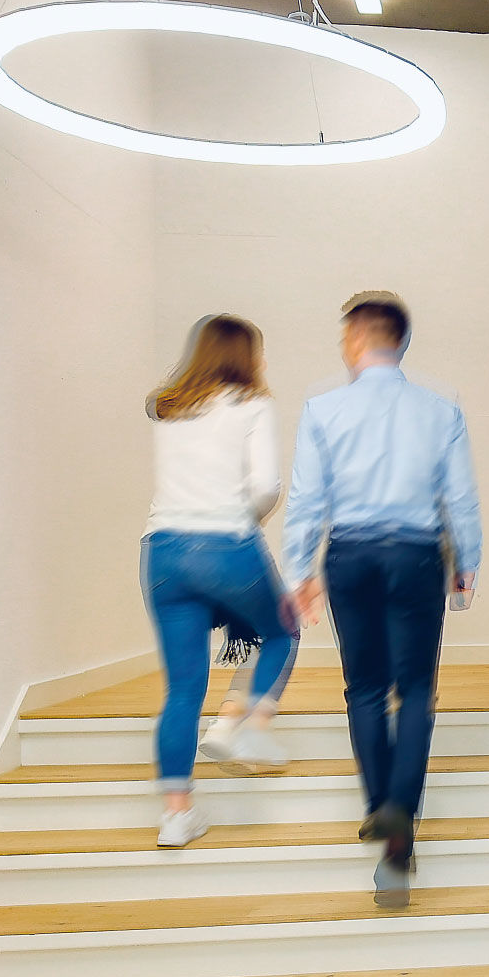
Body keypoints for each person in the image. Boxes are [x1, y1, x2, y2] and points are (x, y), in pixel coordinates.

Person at [283, 292, 482, 906]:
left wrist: (301, 571)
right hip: (417, 555)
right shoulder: (440, 410)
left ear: (355, 340)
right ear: (400, 342)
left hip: (351, 556)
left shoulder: (322, 409)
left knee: (364, 686)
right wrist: (465, 565)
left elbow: (306, 501)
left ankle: (381, 807)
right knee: (416, 690)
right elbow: (462, 499)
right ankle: (400, 828)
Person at [141, 315, 299, 848]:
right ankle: (244, 727)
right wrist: (247, 517)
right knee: (280, 629)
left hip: (162, 552)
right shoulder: (253, 404)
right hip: (225, 544)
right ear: (245, 355)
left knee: (184, 686)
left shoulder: (168, 407)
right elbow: (266, 485)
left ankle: (176, 815)